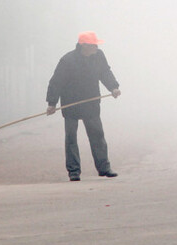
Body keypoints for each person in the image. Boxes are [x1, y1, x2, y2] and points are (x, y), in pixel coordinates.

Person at [46, 31, 122, 181]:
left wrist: (113, 87)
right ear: (84, 46)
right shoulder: (67, 60)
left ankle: (104, 168)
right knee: (71, 139)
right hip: (71, 104)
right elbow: (56, 82)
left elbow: (105, 73)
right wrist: (52, 103)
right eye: (93, 46)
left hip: (91, 103)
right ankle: (74, 171)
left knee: (97, 136)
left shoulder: (98, 57)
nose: (96, 48)